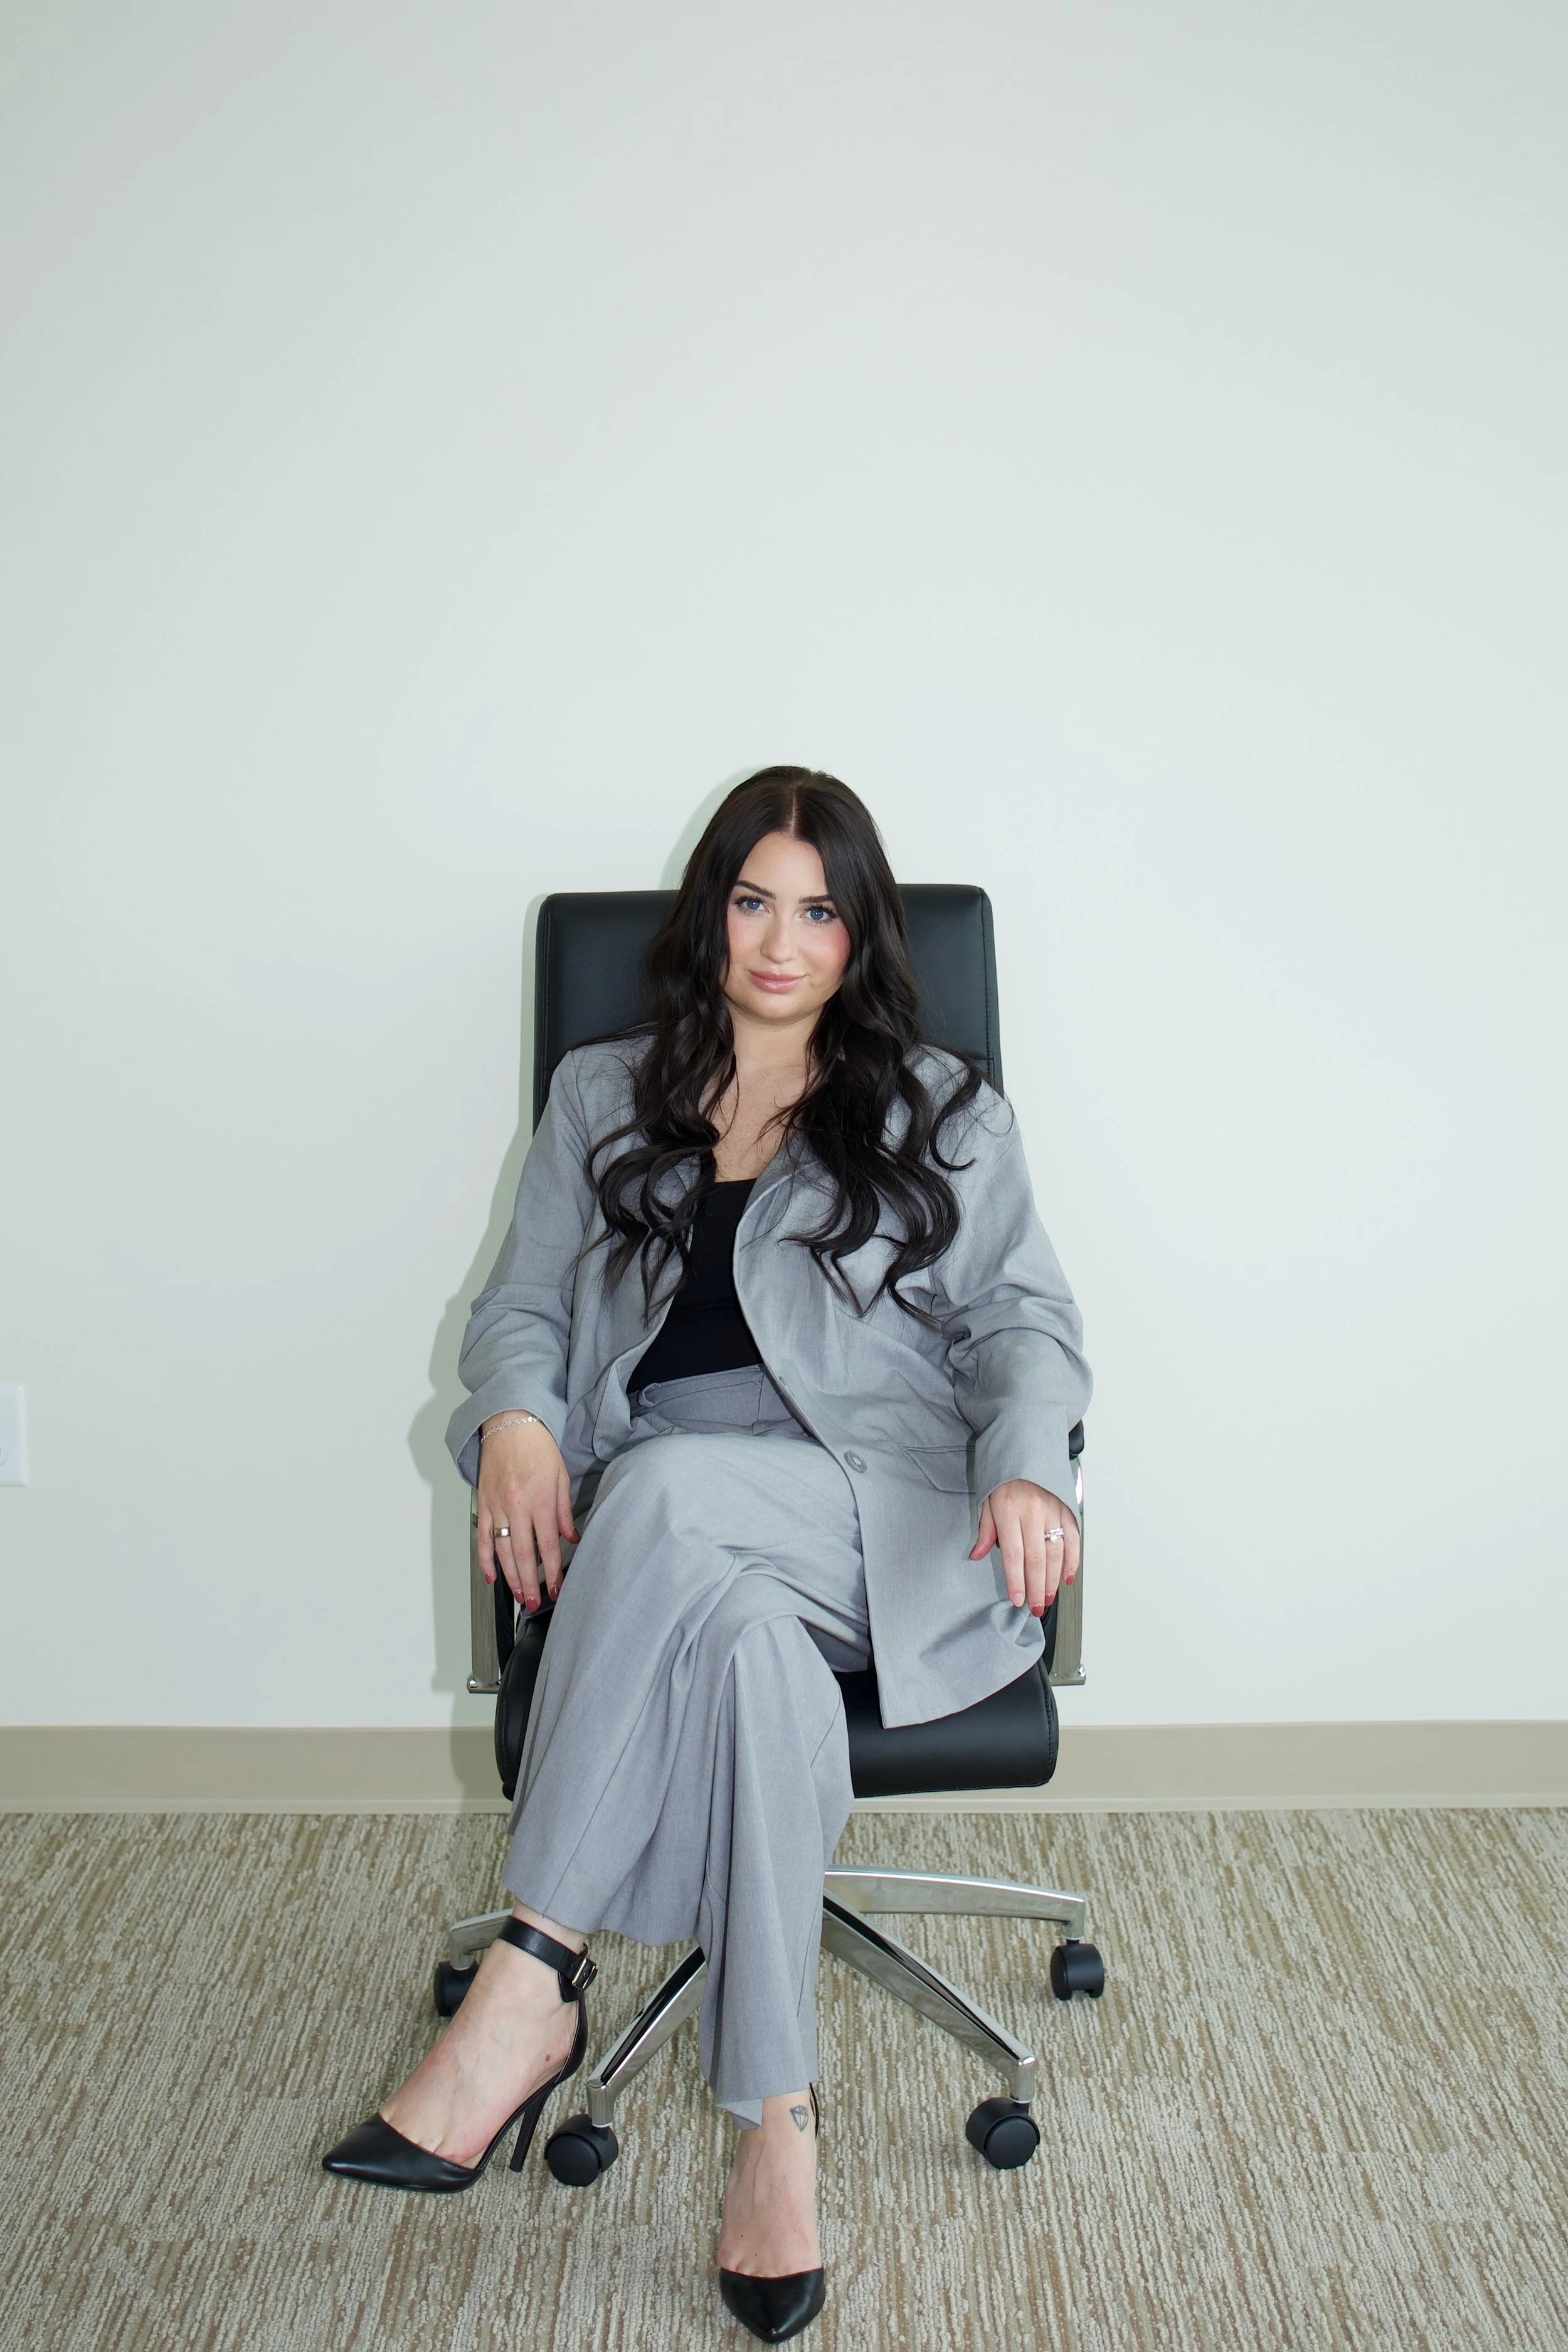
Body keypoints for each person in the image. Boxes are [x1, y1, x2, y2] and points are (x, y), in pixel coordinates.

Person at [322, 767, 1091, 2345]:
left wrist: (1024, 1466)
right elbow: (523, 1311)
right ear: (710, 909)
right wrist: (521, 1421)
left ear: (860, 932)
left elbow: (1024, 1322)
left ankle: (532, 1976)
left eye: (818, 909)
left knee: (670, 1493)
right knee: (735, 1649)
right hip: (680, 1545)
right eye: (753, 899)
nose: (780, 939)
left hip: (877, 1511)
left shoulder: (941, 1108)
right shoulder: (606, 1093)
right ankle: (777, 2132)